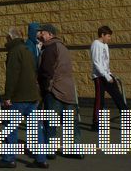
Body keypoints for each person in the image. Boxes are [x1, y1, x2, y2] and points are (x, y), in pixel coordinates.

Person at [0, 27, 48, 169]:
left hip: (19, 97)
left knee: (10, 129)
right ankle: (42, 160)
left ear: (10, 38)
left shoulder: (14, 52)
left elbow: (11, 77)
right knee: (36, 130)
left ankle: (9, 159)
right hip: (32, 96)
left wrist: (7, 96)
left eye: (6, 38)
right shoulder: (27, 51)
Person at [38, 23, 83, 159]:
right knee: (71, 122)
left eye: (43, 32)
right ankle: (76, 149)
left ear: (51, 35)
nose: (41, 35)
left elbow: (46, 71)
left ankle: (50, 150)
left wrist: (45, 88)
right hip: (68, 89)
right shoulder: (62, 47)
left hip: (55, 90)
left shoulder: (51, 48)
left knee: (51, 122)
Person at [90, 26, 126, 131]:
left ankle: (128, 121)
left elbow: (105, 62)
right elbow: (96, 62)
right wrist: (105, 75)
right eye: (108, 36)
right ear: (102, 35)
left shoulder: (105, 45)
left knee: (118, 97)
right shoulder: (96, 44)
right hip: (99, 77)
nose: (109, 38)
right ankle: (96, 124)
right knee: (99, 101)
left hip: (107, 75)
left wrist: (109, 74)